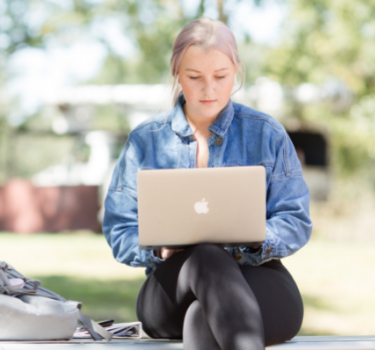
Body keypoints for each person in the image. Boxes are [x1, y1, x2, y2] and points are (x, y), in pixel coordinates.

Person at [102, 17, 312, 350]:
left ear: (237, 72)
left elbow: (296, 220)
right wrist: (160, 249)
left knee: (204, 319)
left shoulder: (267, 133)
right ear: (176, 74)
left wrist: (258, 239)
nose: (208, 89)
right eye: (194, 77)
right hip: (172, 287)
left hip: (256, 276)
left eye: (220, 76)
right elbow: (119, 229)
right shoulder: (145, 141)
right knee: (206, 257)